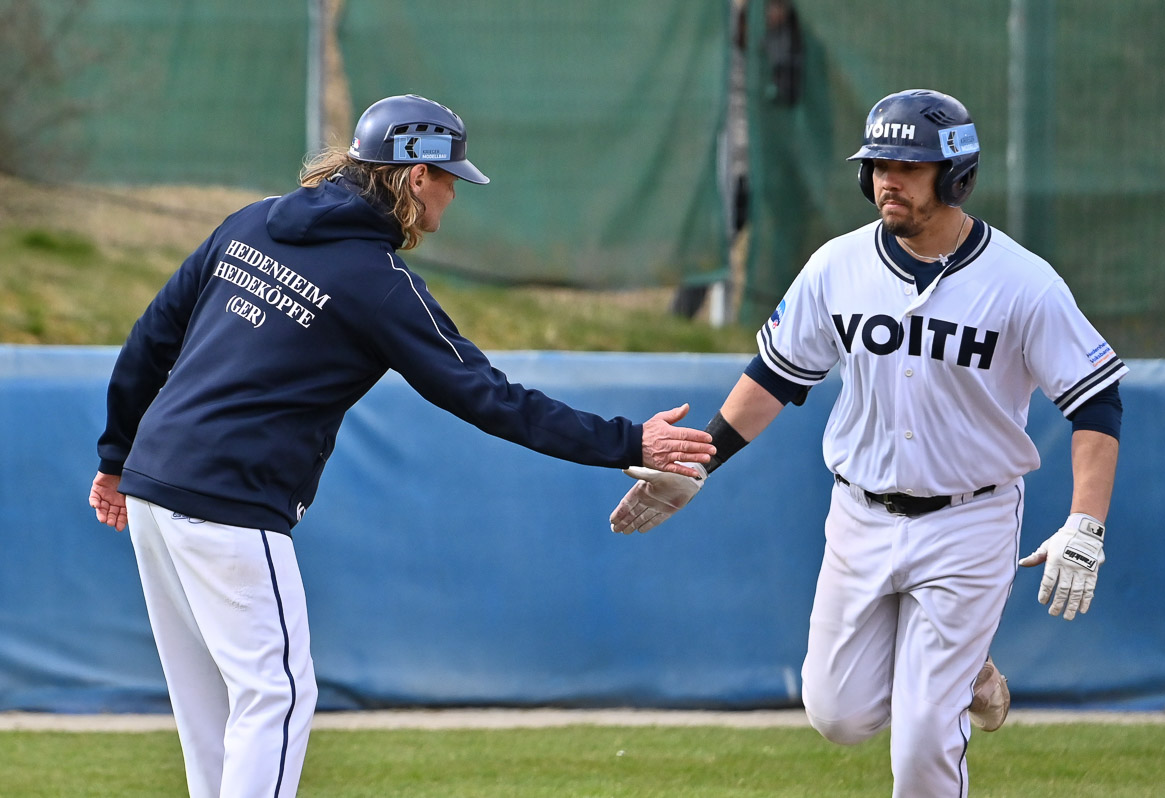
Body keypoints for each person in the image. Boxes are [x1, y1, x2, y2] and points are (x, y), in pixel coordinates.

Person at [88, 93, 715, 798]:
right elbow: (490, 397)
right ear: (415, 175)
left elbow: (150, 339)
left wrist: (114, 459)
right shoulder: (378, 285)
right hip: (229, 503)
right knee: (277, 697)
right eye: (450, 176)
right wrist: (630, 440)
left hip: (151, 489)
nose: (454, 193)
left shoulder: (251, 221)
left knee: (214, 709)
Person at [609, 88, 1125, 797]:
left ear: (956, 175)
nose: (888, 178)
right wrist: (700, 464)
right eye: (879, 162)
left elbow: (1097, 401)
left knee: (921, 745)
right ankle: (969, 666)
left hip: (968, 522)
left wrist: (1085, 525)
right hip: (860, 515)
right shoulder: (837, 266)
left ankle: (951, 673)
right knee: (837, 714)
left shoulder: (1022, 283)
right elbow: (773, 379)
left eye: (908, 166)